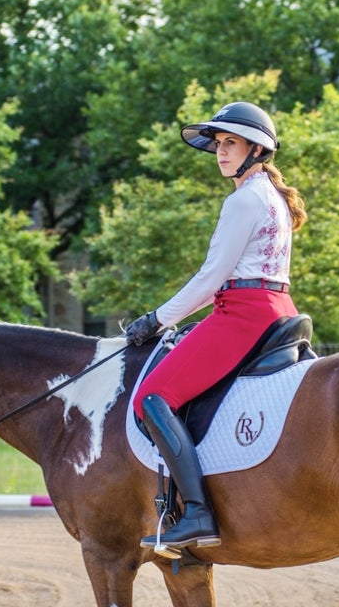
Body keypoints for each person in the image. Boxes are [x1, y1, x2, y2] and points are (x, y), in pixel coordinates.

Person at [126, 101, 307, 553]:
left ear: (256, 149)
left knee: (152, 398)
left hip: (243, 314)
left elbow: (211, 279)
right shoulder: (272, 196)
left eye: (231, 143)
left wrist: (157, 319)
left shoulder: (244, 199)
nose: (221, 152)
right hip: (276, 306)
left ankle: (197, 513)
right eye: (219, 144)